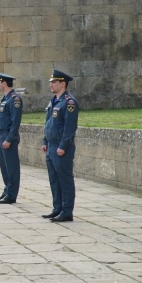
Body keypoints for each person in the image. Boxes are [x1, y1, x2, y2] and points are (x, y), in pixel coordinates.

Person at [42, 70, 79, 222]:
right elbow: (48, 123)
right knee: (54, 179)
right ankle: (57, 208)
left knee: (65, 180)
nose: (50, 84)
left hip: (61, 148)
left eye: (54, 82)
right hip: (51, 146)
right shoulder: (54, 101)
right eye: (51, 82)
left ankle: (67, 211)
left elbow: (69, 128)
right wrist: (45, 141)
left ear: (62, 84)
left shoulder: (69, 102)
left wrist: (63, 146)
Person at [0, 73, 22, 204]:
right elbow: (1, 121)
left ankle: (11, 195)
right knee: (4, 167)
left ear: (4, 83)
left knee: (11, 167)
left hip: (9, 137)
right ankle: (6, 191)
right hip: (2, 136)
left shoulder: (14, 99)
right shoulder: (5, 99)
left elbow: (15, 122)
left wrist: (9, 139)